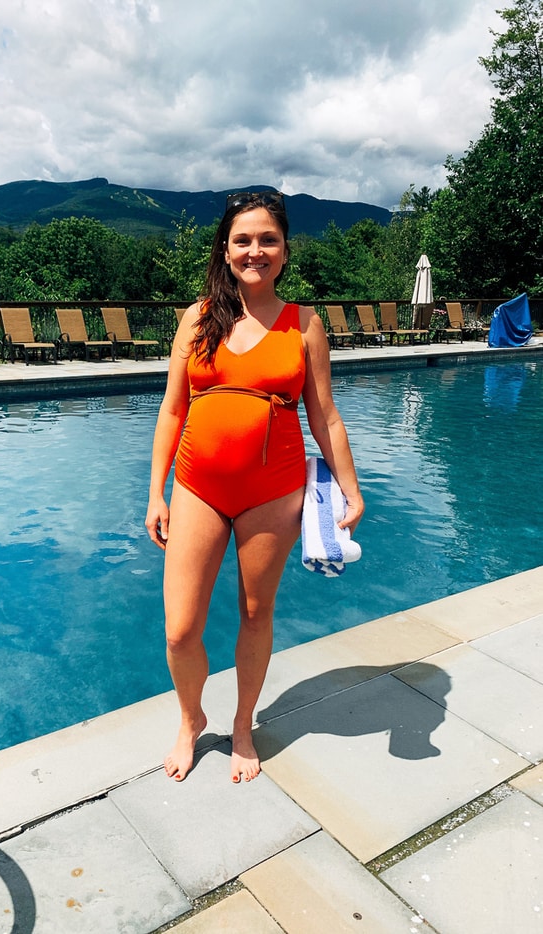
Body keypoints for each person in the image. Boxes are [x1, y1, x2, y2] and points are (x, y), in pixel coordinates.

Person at [145, 190, 364, 784]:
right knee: (180, 628)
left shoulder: (304, 323)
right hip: (198, 486)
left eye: (268, 239)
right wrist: (156, 491)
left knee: (253, 609)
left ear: (285, 250)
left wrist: (351, 488)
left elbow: (326, 417)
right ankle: (191, 719)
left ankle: (242, 725)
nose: (255, 250)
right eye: (243, 239)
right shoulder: (197, 317)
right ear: (225, 248)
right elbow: (171, 409)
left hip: (273, 490)